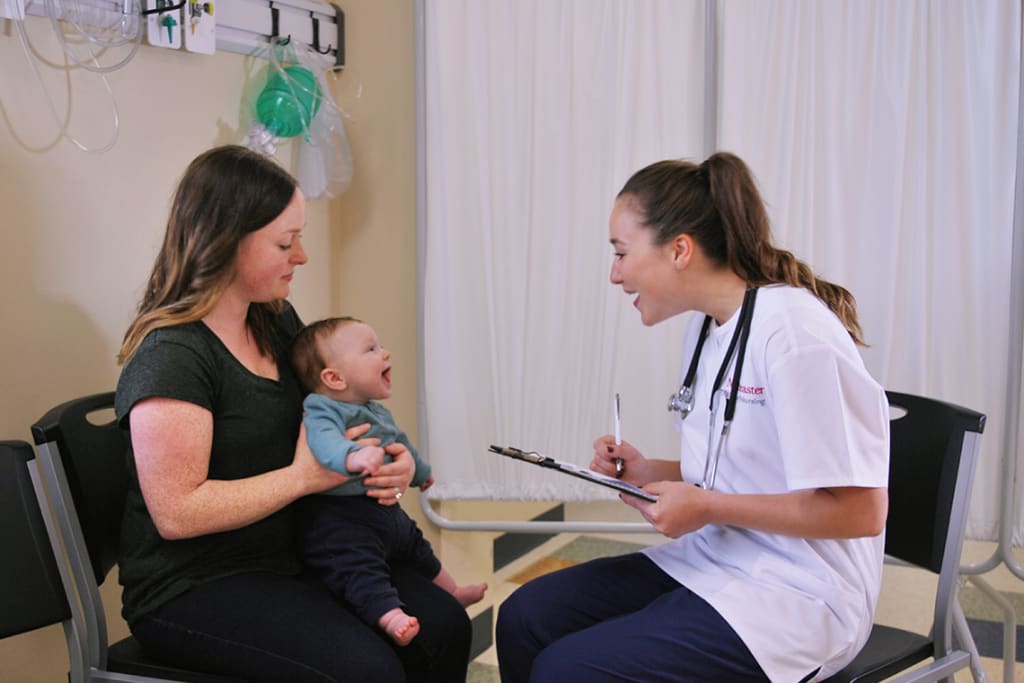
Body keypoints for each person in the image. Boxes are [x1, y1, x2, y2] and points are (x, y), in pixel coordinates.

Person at [495, 152, 890, 683]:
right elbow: (741, 467)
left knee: (568, 671)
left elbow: (859, 512)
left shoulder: (796, 336)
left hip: (801, 596)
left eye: (621, 253)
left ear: (679, 249)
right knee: (526, 616)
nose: (614, 275)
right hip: (717, 560)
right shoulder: (708, 329)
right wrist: (649, 472)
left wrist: (706, 505)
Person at [114, 145, 472, 683]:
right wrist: (302, 479)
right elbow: (177, 512)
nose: (301, 256)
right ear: (226, 242)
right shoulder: (173, 356)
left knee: (444, 624)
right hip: (195, 584)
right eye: (285, 242)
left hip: (295, 549)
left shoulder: (276, 323)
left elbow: (335, 416)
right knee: (366, 670)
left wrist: (387, 463)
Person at [290, 316, 487, 646]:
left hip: (383, 512)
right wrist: (352, 456)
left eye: (379, 346)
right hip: (341, 519)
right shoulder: (322, 408)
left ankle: (452, 591)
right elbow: (323, 443)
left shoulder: (375, 410)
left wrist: (420, 472)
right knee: (359, 571)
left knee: (418, 547)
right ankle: (391, 616)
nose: (385, 353)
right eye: (371, 349)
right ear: (335, 378)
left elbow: (401, 443)